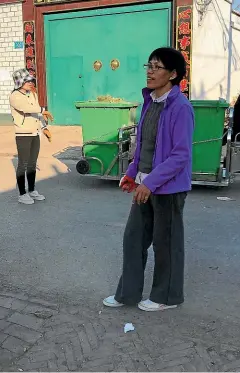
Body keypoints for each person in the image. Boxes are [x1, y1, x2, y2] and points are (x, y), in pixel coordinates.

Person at [103, 47, 194, 312]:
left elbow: (180, 155)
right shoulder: (149, 102)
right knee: (133, 240)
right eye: (149, 66)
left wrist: (150, 183)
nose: (151, 71)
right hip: (144, 183)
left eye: (158, 67)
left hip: (167, 189)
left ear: (173, 74)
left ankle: (166, 297)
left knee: (166, 245)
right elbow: (143, 145)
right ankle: (128, 293)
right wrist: (132, 173)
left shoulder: (181, 107)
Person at [9, 68, 54, 205]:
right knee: (23, 164)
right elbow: (26, 109)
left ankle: (32, 190)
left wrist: (44, 128)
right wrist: (43, 110)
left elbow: (37, 114)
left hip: (35, 133)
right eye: (27, 80)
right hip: (23, 134)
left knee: (32, 164)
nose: (30, 82)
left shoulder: (32, 94)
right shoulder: (14, 96)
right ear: (19, 82)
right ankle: (22, 194)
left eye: (31, 80)